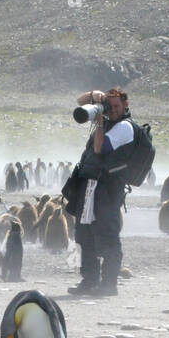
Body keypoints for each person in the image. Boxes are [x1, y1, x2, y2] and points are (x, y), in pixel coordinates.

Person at [64, 86, 135, 297]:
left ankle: (109, 283)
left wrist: (100, 121)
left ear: (125, 105)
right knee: (84, 234)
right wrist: (94, 96)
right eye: (108, 106)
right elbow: (79, 101)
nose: (111, 109)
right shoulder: (107, 117)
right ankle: (89, 280)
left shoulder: (125, 128)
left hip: (108, 189)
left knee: (108, 235)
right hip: (90, 186)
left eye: (115, 106)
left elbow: (99, 148)